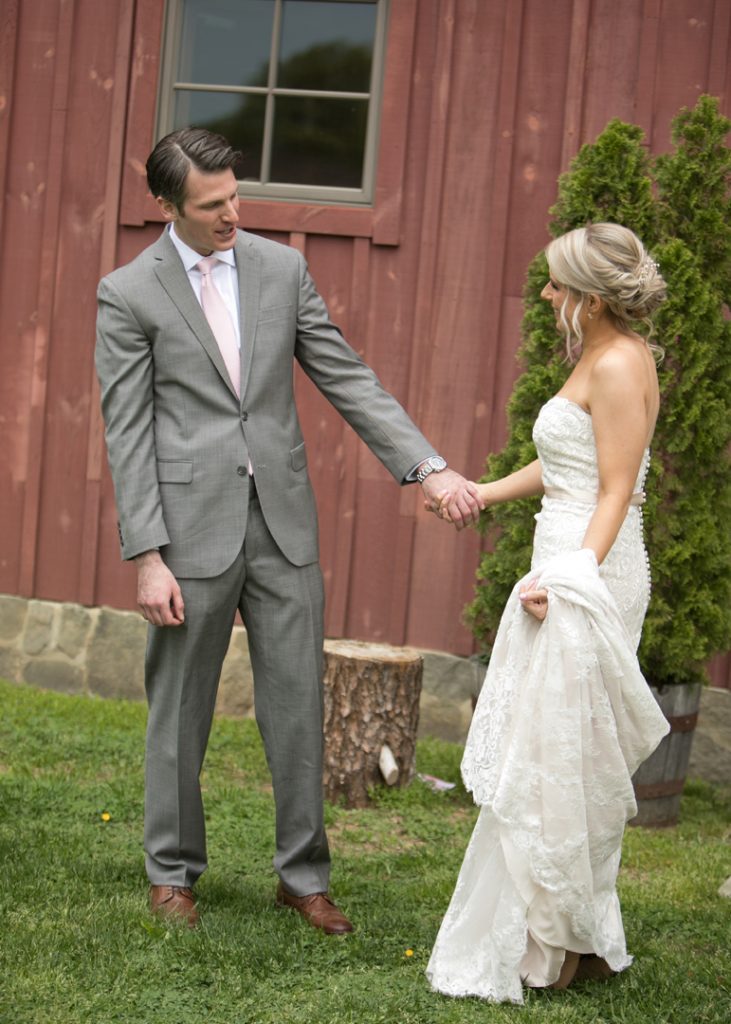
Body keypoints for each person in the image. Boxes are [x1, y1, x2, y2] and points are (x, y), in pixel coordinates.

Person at [95, 127, 482, 933]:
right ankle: (172, 873)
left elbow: (347, 376)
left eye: (235, 196)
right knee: (179, 712)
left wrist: (427, 466)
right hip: (187, 534)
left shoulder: (281, 270)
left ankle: (302, 878)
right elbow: (127, 432)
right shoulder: (127, 294)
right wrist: (148, 555)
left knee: (298, 707)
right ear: (166, 206)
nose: (231, 214)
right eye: (211, 205)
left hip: (283, 526)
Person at [426, 223, 671, 1001]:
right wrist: (482, 493)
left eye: (556, 284)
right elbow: (567, 465)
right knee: (551, 752)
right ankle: (576, 936)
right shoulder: (598, 356)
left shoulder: (622, 362)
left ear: (591, 299)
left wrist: (569, 579)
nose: (543, 294)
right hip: (565, 558)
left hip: (588, 568)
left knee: (564, 759)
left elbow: (616, 490)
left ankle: (559, 940)